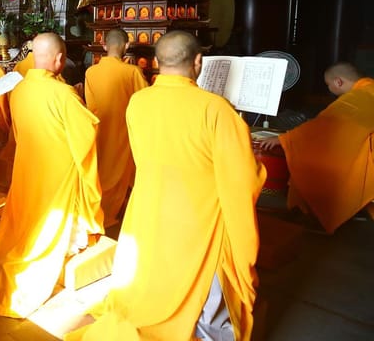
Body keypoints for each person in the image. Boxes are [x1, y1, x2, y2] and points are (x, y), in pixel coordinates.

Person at [68, 31, 263, 341]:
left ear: (156, 62)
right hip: (198, 216)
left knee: (151, 267)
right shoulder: (217, 110)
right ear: (198, 62)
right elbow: (244, 178)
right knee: (204, 276)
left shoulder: (139, 102)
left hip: (149, 208)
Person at [0, 32, 102, 318]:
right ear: (60, 59)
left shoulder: (20, 89)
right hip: (55, 175)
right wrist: (89, 111)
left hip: (27, 168)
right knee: (46, 224)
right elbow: (86, 136)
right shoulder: (64, 95)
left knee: (22, 222)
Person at [259, 62, 374, 233]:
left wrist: (286, 139)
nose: (329, 90)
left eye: (329, 85)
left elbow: (324, 126)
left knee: (311, 159)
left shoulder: (357, 98)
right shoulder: (368, 90)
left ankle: (315, 213)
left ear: (338, 82)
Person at [84, 28, 148, 227]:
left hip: (99, 131)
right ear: (126, 46)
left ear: (104, 45)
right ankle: (116, 216)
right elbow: (145, 101)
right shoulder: (132, 72)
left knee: (101, 172)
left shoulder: (91, 72)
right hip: (123, 134)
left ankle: (96, 212)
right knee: (123, 174)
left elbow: (90, 105)